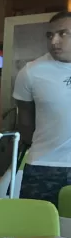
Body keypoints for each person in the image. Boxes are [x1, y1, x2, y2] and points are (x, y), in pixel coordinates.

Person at [14, 11, 71, 206]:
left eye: (63, 34)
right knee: (33, 233)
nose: (54, 41)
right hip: (43, 167)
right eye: (50, 35)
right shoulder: (31, 72)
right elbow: (25, 120)